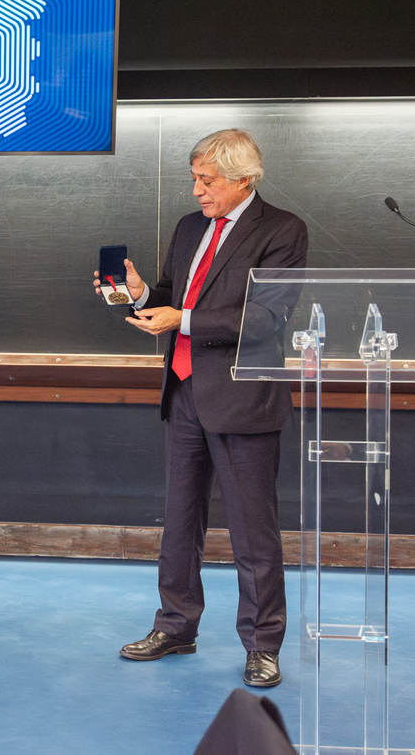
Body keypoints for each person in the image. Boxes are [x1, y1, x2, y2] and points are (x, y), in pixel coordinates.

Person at [96, 128, 307, 688]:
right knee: (180, 521)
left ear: (244, 180)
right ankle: (176, 625)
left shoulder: (283, 230)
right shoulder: (191, 228)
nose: (196, 191)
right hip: (184, 391)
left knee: (252, 530)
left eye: (206, 180)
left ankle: (263, 645)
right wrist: (140, 295)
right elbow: (172, 297)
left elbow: (265, 319)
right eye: (193, 178)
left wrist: (180, 321)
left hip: (244, 399)